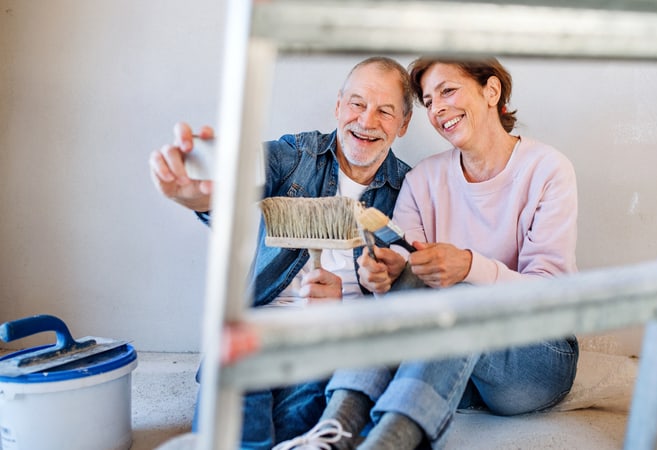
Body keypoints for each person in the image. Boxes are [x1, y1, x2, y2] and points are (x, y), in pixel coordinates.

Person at [283, 57, 579, 450]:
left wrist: (469, 266)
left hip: (536, 354)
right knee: (410, 296)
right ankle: (333, 432)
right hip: (455, 361)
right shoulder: (423, 178)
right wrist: (388, 277)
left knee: (458, 296)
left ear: (491, 91)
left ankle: (391, 443)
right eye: (428, 99)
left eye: (448, 91)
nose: (437, 108)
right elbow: (406, 296)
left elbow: (553, 293)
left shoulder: (547, 169)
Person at [149, 56, 415, 450]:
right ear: (338, 105)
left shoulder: (409, 190)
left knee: (298, 419)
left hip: (332, 348)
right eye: (357, 103)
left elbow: (407, 297)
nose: (367, 120)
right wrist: (201, 192)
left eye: (385, 111)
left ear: (404, 125)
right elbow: (240, 180)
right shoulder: (293, 156)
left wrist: (342, 308)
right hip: (257, 330)